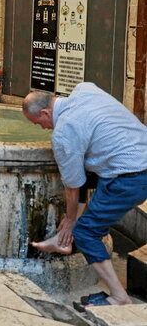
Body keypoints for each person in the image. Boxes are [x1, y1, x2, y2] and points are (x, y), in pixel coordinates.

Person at [22, 83, 147, 307]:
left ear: (45, 113)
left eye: (38, 123)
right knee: (85, 172)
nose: (42, 128)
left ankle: (119, 297)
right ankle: (64, 242)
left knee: (86, 232)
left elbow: (72, 186)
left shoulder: (63, 133)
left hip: (131, 178)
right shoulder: (85, 89)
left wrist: (70, 221)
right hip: (139, 159)